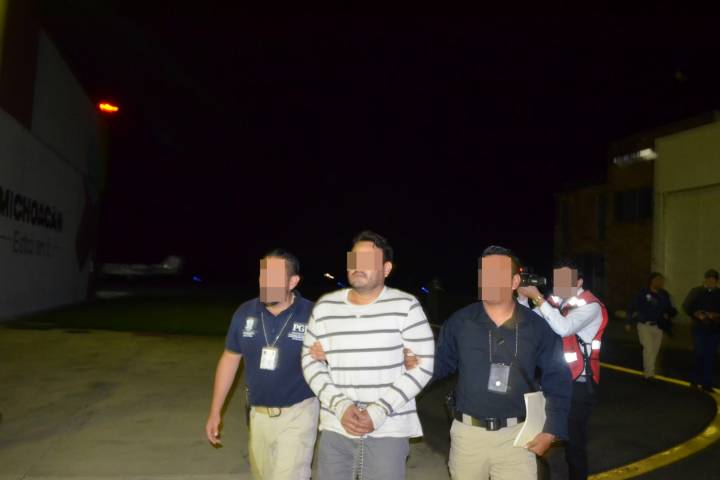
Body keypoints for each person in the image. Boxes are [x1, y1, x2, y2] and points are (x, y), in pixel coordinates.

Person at [393, 246, 571, 479]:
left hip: (518, 439)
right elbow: (441, 365)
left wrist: (551, 430)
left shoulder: (537, 327)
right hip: (468, 436)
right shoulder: (460, 322)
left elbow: (558, 378)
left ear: (515, 281)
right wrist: (414, 369)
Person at [302, 230, 435, 480]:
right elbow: (310, 363)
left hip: (389, 429)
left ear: (386, 269)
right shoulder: (326, 306)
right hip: (336, 427)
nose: (358, 267)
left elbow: (423, 366)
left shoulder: (406, 306)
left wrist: (378, 411)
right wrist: (340, 406)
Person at [205, 249, 318, 480]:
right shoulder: (245, 312)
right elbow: (230, 359)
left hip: (299, 413)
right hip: (258, 414)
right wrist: (215, 411)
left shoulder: (313, 314)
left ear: (292, 282)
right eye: (263, 276)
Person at [518, 258, 607, 480]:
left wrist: (538, 298)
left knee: (573, 443)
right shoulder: (556, 303)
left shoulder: (591, 306)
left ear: (579, 282)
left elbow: (563, 327)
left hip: (579, 384)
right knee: (540, 431)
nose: (559, 285)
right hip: (553, 379)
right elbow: (529, 321)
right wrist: (522, 298)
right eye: (557, 279)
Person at [626, 272, 677, 379]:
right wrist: (628, 322)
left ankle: (649, 370)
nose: (660, 282)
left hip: (658, 326)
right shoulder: (643, 293)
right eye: (658, 280)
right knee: (648, 349)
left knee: (654, 351)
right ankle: (649, 374)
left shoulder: (664, 294)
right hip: (645, 325)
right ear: (652, 281)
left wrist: (669, 313)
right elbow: (632, 306)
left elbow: (669, 308)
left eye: (662, 281)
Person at [682, 269, 720, 392]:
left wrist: (715, 315)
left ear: (717, 281)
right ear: (705, 280)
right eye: (708, 279)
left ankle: (707, 384)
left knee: (710, 356)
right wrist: (696, 314)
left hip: (714, 330)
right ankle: (695, 380)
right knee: (699, 353)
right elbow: (686, 306)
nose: (710, 282)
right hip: (699, 328)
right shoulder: (696, 291)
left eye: (713, 280)